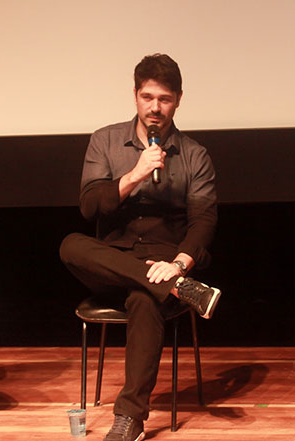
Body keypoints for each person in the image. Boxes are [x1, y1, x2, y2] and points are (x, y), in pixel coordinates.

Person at [60, 53, 221, 441]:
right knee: (70, 244)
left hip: (165, 260)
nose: (155, 107)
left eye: (164, 99)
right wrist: (134, 174)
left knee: (145, 298)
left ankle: (130, 418)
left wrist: (180, 265)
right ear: (135, 96)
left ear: (178, 100)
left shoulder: (195, 155)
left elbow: (204, 220)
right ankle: (180, 291)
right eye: (147, 97)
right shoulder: (106, 140)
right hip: (113, 259)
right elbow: (88, 207)